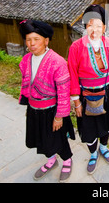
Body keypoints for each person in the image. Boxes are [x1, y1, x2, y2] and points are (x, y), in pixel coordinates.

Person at [68, 5, 109, 174]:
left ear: (104, 28)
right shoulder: (76, 47)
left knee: (107, 123)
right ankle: (93, 153)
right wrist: (77, 102)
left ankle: (104, 147)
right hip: (86, 94)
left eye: (98, 26)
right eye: (90, 25)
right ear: (85, 26)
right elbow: (72, 74)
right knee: (89, 128)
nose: (94, 30)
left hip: (108, 91)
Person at [18, 19, 75, 182]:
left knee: (58, 139)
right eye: (28, 39)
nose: (32, 43)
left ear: (46, 40)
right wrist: (28, 106)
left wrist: (59, 117)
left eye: (36, 39)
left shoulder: (57, 62)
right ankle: (51, 160)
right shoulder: (26, 60)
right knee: (40, 138)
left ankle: (67, 161)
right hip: (34, 109)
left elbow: (64, 93)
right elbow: (26, 84)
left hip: (52, 110)